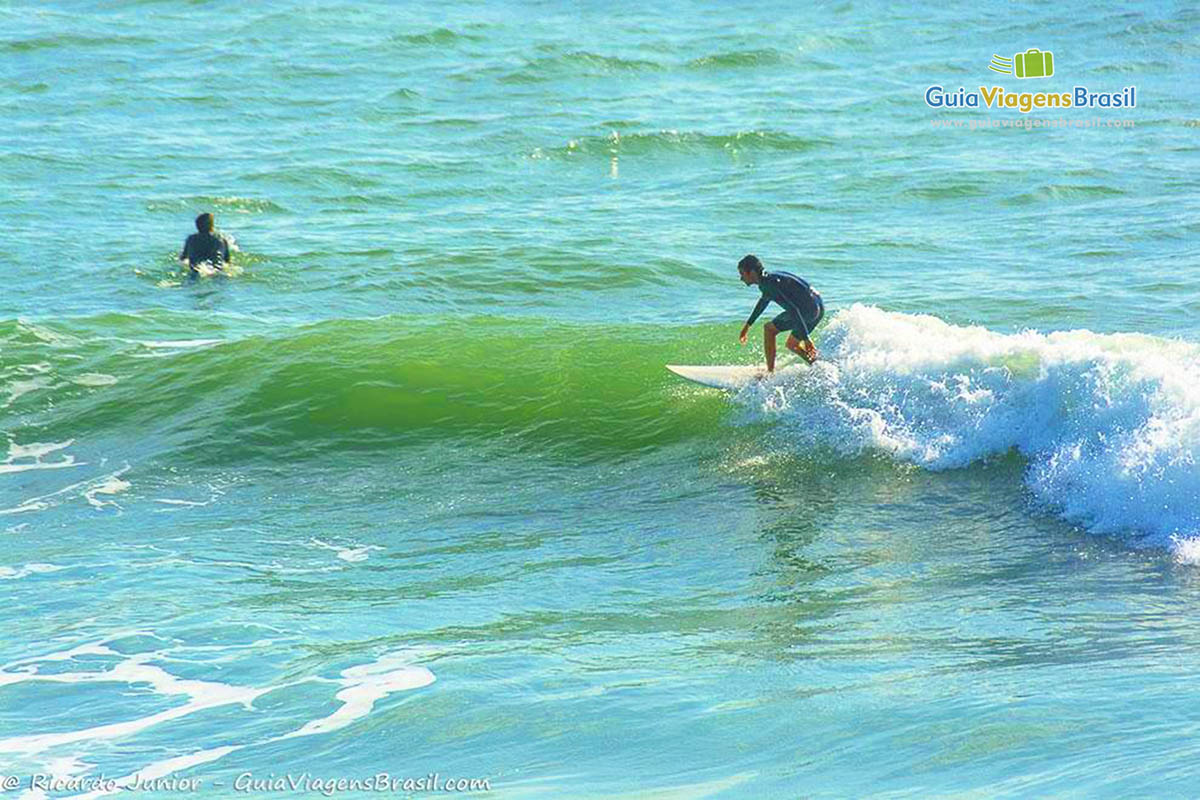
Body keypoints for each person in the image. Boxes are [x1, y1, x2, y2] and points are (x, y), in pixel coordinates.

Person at [736, 254, 824, 372]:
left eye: (742, 274)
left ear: (751, 273)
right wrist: (748, 325)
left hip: (807, 311)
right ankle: (819, 365)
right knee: (792, 344)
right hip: (818, 306)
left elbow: (794, 310)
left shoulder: (769, 284)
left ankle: (770, 373)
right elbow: (764, 300)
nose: (741, 278)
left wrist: (806, 338)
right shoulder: (771, 279)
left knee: (769, 329)